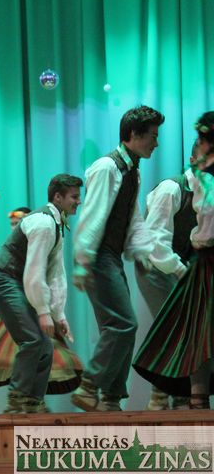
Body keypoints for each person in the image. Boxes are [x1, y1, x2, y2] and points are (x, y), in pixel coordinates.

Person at [71, 106, 163, 411]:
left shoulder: (132, 170)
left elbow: (132, 216)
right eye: (152, 136)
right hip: (99, 255)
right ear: (134, 134)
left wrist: (142, 251)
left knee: (119, 326)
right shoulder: (107, 167)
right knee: (123, 324)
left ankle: (110, 398)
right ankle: (90, 385)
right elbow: (92, 215)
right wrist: (83, 260)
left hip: (110, 255)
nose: (156, 143)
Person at [134, 112, 214, 409]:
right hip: (157, 267)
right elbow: (155, 243)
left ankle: (182, 394)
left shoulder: (208, 189)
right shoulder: (172, 189)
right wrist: (183, 272)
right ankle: (162, 394)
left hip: (185, 267)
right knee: (177, 329)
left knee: (193, 330)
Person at [0, 174, 83, 413]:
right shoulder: (43, 223)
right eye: (74, 197)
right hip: (5, 280)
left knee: (46, 346)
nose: (78, 201)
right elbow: (35, 270)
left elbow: (55, 273)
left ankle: (33, 402)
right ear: (58, 197)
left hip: (19, 283)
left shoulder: (56, 223)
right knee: (32, 340)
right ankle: (16, 400)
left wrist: (58, 314)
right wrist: (43, 311)